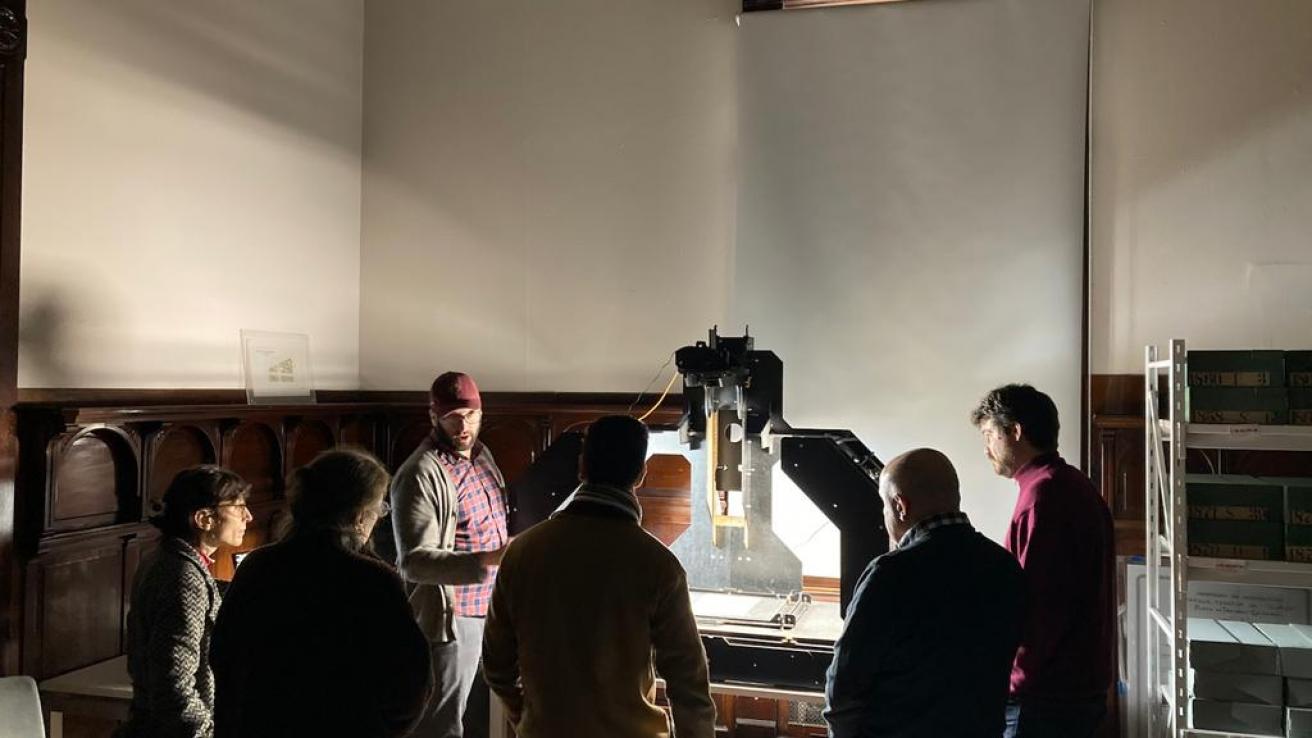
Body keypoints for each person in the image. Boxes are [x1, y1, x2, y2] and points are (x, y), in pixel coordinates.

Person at [482, 415, 715, 738]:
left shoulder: (523, 553)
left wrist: (526, 717)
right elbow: (688, 681)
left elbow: (496, 664)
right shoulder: (658, 566)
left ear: (582, 468)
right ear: (640, 473)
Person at [210, 449, 432, 738]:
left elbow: (224, 660)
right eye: (379, 510)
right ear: (358, 515)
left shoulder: (258, 566)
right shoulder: (372, 579)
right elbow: (411, 684)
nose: (377, 519)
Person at [824, 448, 1024, 738]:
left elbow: (845, 683)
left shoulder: (889, 575)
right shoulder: (1005, 567)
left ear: (900, 506)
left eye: (884, 504)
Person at [972, 384, 1115, 738]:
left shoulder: (1044, 496)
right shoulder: (1067, 483)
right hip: (1071, 687)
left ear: (1015, 432)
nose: (986, 448)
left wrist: (1011, 681)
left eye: (990, 435)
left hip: (1047, 696)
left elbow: (1042, 606)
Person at [391, 371, 508, 738]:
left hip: (492, 606)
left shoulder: (482, 455)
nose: (464, 425)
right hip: (453, 617)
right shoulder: (421, 473)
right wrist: (489, 559)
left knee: (475, 714)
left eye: (471, 416)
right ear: (433, 417)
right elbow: (412, 562)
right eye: (453, 417)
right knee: (441, 722)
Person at [116, 465, 252, 738]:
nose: (248, 516)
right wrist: (205, 733)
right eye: (238, 507)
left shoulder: (169, 558)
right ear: (204, 518)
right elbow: (174, 684)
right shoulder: (182, 574)